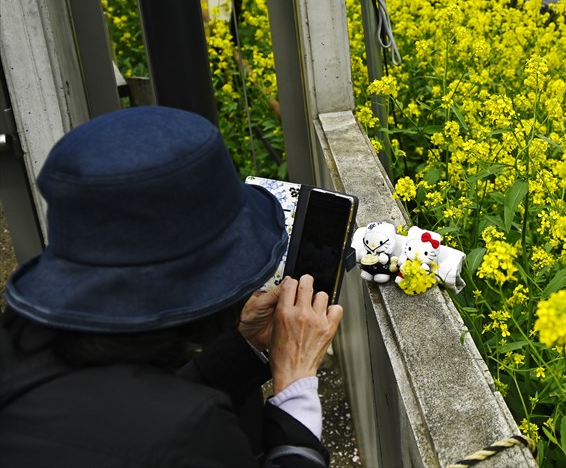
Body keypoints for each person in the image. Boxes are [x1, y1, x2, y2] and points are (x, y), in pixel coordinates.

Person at [0, 106, 343, 467]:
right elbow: (161, 430)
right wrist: (294, 385)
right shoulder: (192, 436)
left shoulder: (18, 342)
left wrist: (244, 346)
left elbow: (125, 411)